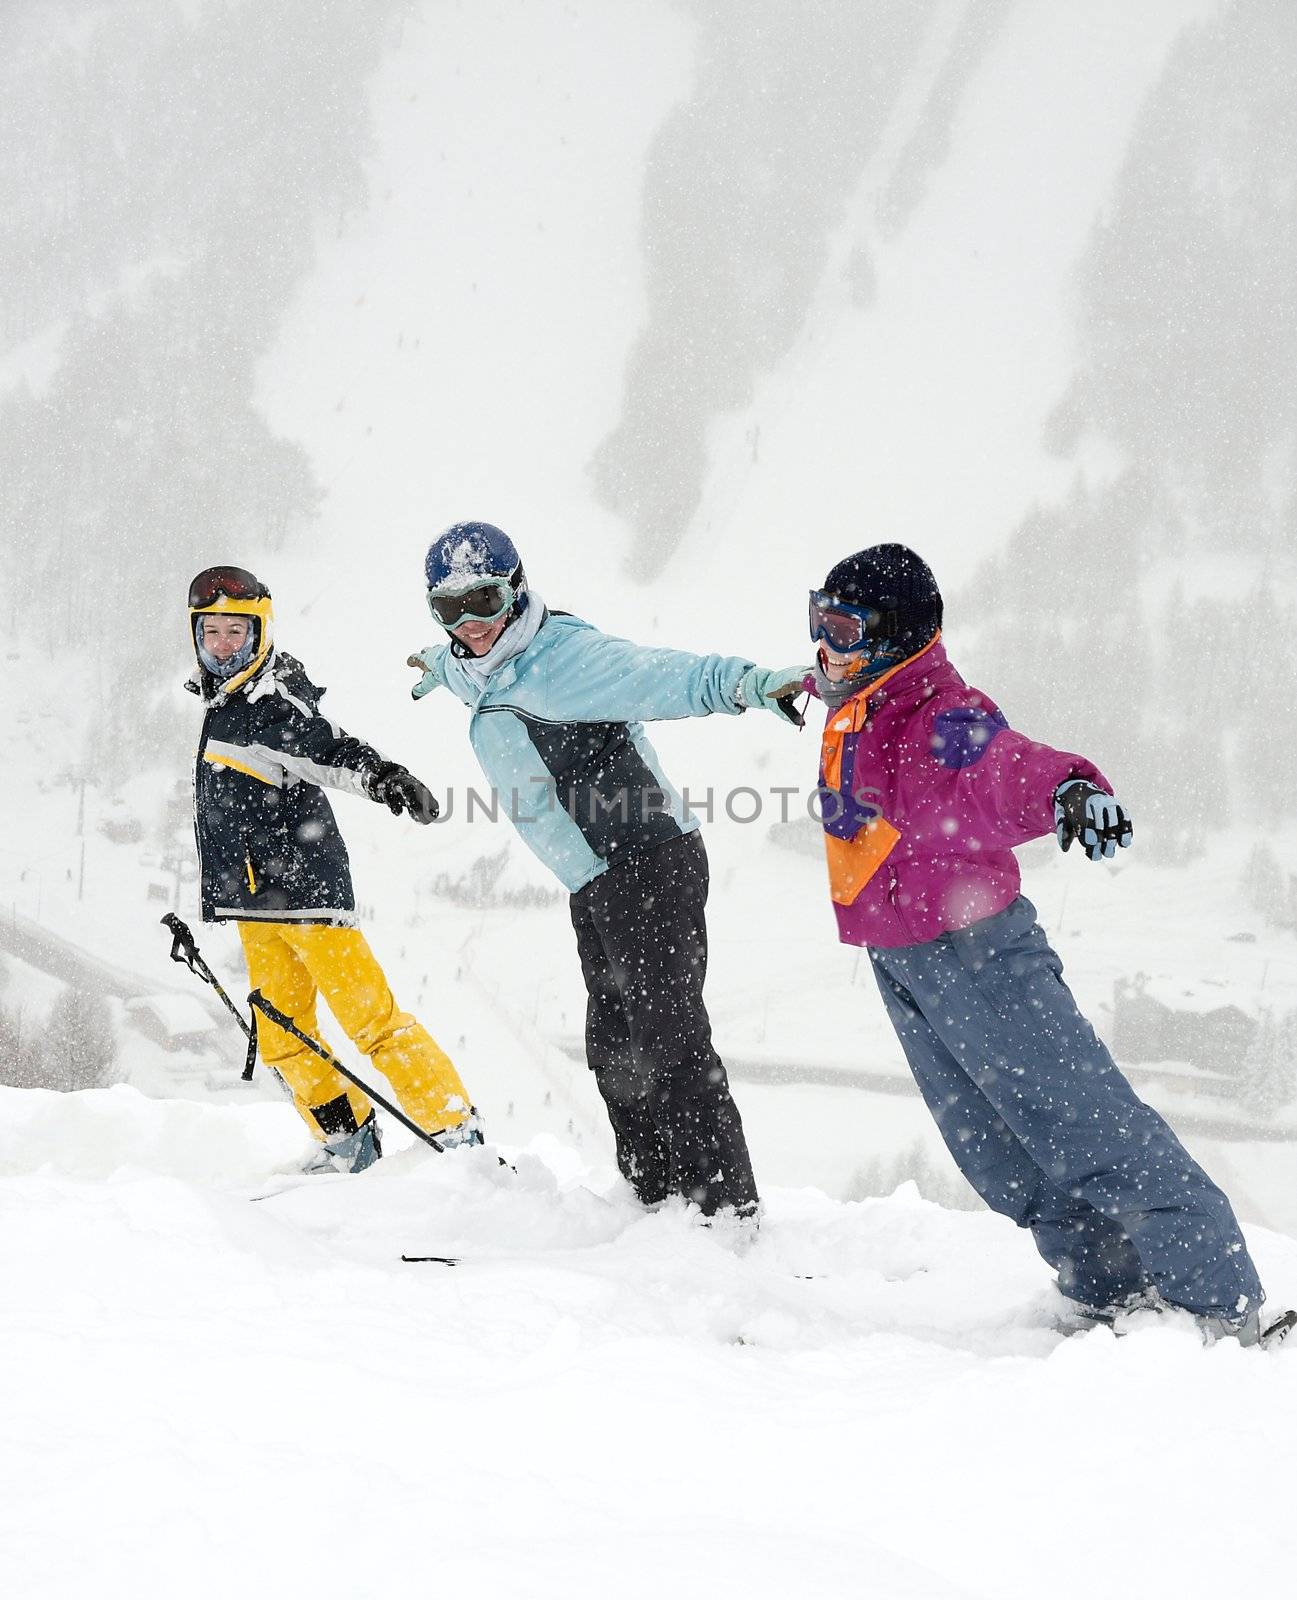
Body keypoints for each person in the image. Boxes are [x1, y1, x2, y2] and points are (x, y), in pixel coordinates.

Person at [805, 543, 1289, 1346]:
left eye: (844, 627)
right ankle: (1109, 1291)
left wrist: (1067, 786)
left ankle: (1218, 1309)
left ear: (896, 637)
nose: (825, 646)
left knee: (1088, 1127)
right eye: (817, 621)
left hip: (977, 954)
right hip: (903, 958)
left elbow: (1001, 764)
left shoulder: (938, 717)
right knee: (999, 1154)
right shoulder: (865, 702)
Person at [407, 521, 806, 1219]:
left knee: (671, 1045)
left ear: (518, 589)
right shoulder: (485, 661)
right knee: (615, 1049)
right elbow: (483, 676)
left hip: (648, 864)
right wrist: (439, 667)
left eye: (485, 599)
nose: (470, 623)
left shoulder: (564, 660)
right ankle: (654, 1199)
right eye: (449, 609)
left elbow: (664, 676)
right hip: (595, 876)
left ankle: (722, 1213)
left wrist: (747, 684)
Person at [185, 564, 479, 1172]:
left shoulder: (269, 701)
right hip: (257, 901)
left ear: (260, 632)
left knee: (371, 1022)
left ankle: (455, 1137)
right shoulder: (225, 702)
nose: (221, 646)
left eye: (235, 633)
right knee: (282, 1036)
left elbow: (331, 750)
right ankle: (349, 1141)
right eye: (211, 632)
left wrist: (386, 778)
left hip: (308, 895)